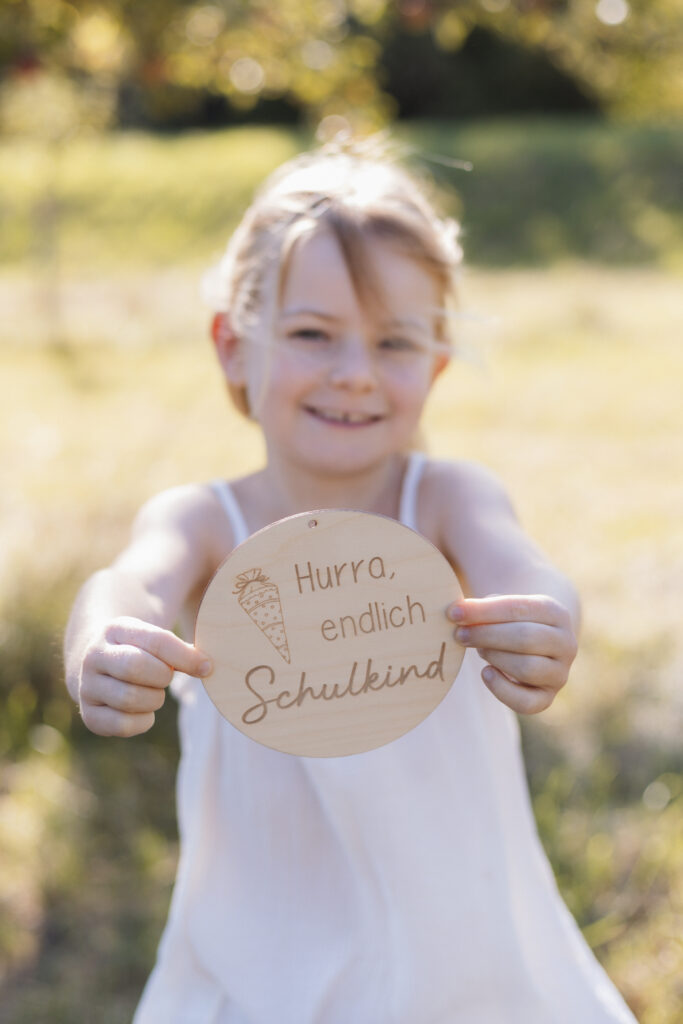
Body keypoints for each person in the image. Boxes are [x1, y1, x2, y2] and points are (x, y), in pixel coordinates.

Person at [64, 138, 637, 1023]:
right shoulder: (207, 522)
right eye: (309, 334)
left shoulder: (445, 502)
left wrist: (549, 620)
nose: (354, 373)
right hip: (264, 949)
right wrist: (102, 642)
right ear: (231, 346)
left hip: (452, 943)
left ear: (435, 365)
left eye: (393, 343)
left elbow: (529, 572)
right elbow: (128, 583)